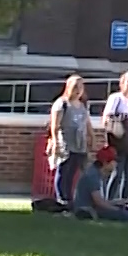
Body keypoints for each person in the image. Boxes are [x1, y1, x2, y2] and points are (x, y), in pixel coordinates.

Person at [46, 75, 92, 205]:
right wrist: (55, 142)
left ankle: (69, 198)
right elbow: (55, 125)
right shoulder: (62, 103)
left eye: (81, 87)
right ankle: (61, 199)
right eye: (75, 87)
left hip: (79, 143)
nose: (78, 90)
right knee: (63, 170)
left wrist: (91, 136)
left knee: (72, 172)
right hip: (66, 142)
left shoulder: (82, 105)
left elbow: (87, 122)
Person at [71, 146, 128, 222]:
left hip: (95, 207)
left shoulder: (98, 173)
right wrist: (116, 209)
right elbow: (99, 202)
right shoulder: (92, 175)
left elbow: (101, 201)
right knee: (124, 214)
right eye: (113, 161)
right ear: (105, 162)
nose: (116, 164)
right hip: (88, 210)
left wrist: (117, 202)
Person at [101, 71, 128, 202]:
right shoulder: (116, 98)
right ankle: (109, 200)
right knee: (118, 170)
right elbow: (106, 118)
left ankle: (124, 200)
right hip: (120, 137)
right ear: (122, 83)